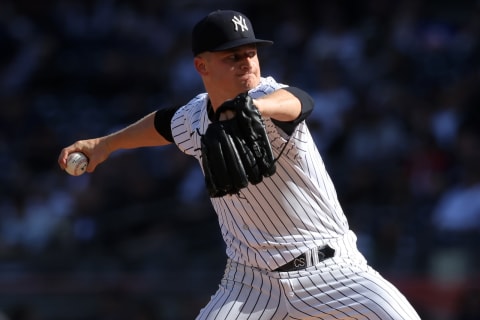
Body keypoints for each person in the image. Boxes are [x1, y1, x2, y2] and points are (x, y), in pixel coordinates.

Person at [58, 9, 420, 320]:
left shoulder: (270, 99)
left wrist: (252, 110)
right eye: (232, 57)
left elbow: (299, 101)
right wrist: (103, 145)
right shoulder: (195, 117)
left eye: (251, 53)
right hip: (249, 283)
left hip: (334, 270)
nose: (246, 62)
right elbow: (163, 124)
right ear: (202, 65)